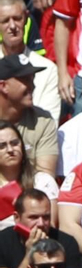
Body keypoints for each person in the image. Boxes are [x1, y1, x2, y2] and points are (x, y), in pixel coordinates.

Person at [0, 53, 57, 181]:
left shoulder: (42, 121)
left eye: (32, 79)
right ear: (3, 86)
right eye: (25, 79)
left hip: (28, 194)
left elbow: (45, 177)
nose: (33, 86)